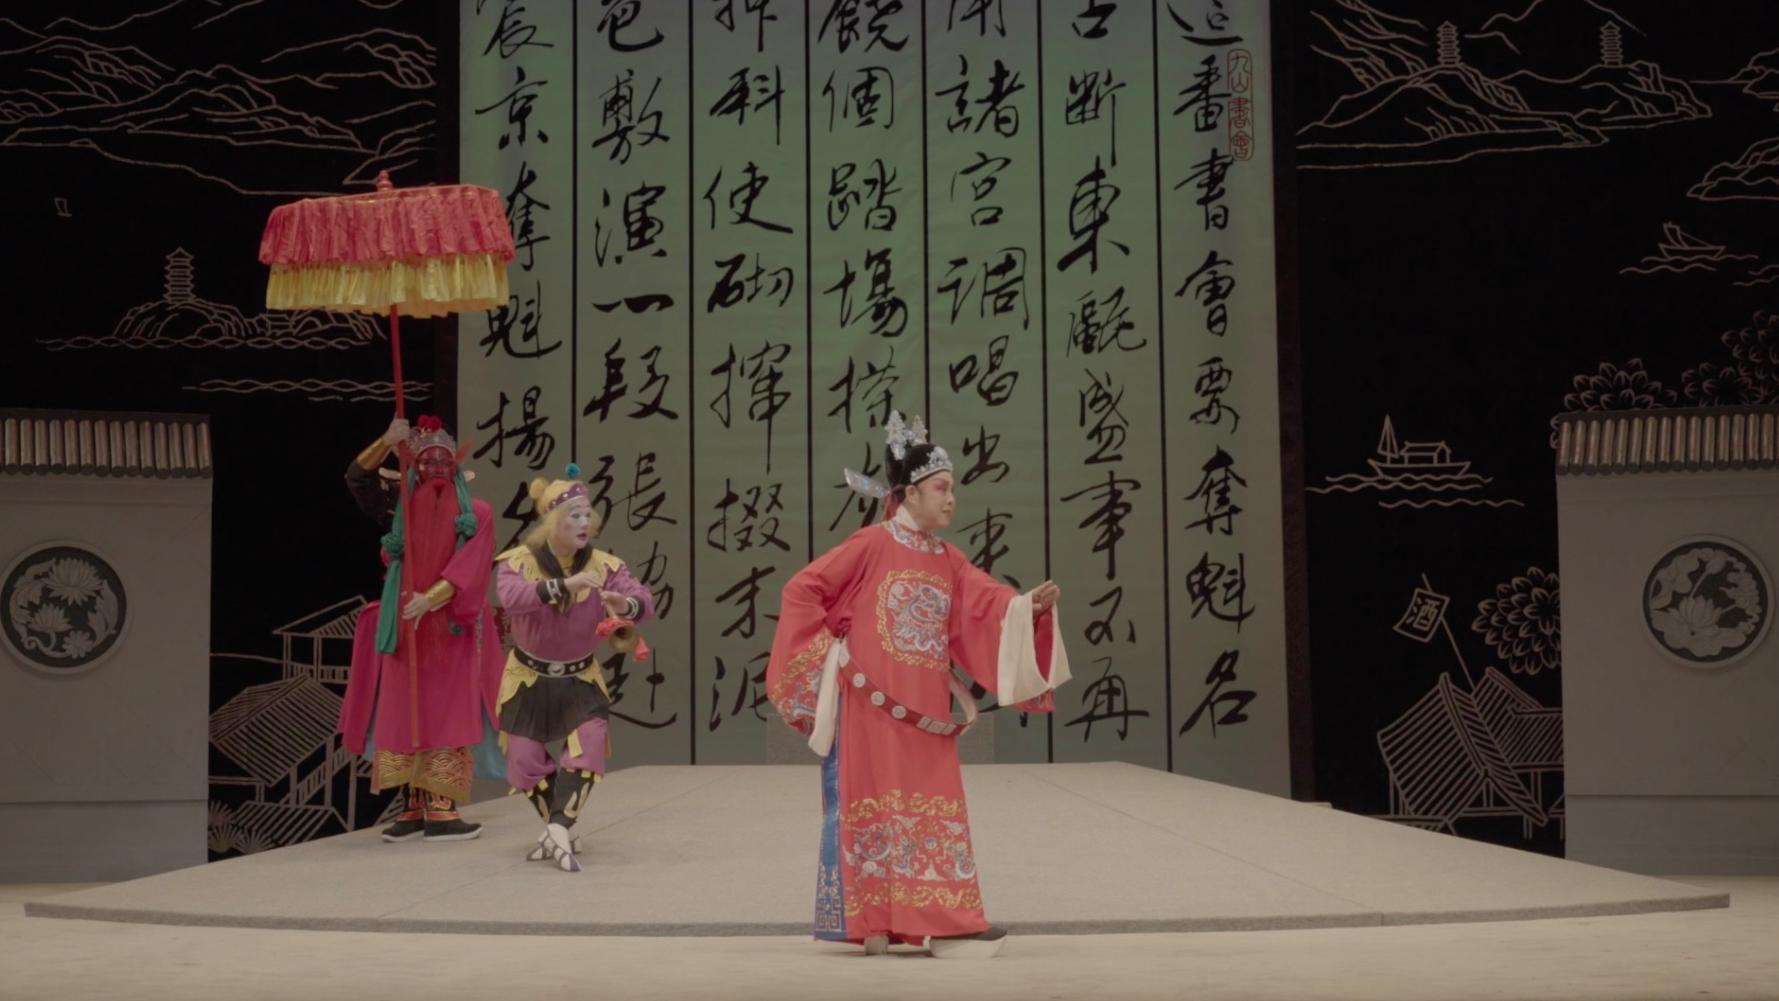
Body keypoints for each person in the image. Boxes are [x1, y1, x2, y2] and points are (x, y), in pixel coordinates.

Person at [766, 411, 1071, 958]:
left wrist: (1026, 609)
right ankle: (880, 921)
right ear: (909, 493)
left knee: (931, 807)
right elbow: (802, 590)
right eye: (941, 489)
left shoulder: (949, 559)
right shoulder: (871, 544)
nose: (951, 499)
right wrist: (830, 659)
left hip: (923, 707)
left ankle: (945, 920)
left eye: (953, 489)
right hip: (870, 708)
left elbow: (989, 604)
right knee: (876, 807)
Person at [340, 414, 502, 843]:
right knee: (403, 709)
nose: (437, 467)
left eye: (444, 460)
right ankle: (413, 806)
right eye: (428, 460)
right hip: (404, 625)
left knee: (446, 709)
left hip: (449, 625)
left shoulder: (477, 513)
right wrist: (385, 439)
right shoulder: (400, 509)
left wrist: (431, 599)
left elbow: (474, 563)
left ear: (456, 466)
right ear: (415, 466)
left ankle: (442, 807)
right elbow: (357, 479)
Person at [493, 468, 656, 872]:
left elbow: (644, 600)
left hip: (579, 676)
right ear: (553, 522)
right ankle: (559, 829)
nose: (585, 523)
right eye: (575, 516)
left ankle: (558, 828)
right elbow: (510, 598)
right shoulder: (519, 561)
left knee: (589, 744)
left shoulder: (604, 565)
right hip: (527, 677)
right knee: (523, 762)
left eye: (588, 515)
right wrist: (565, 585)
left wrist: (624, 604)